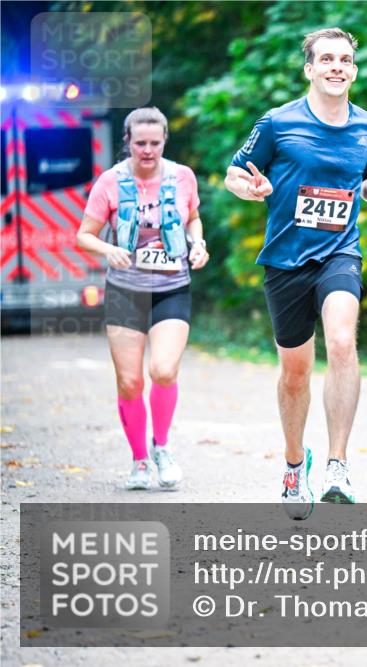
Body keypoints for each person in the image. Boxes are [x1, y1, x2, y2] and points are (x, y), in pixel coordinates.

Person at [225, 27, 367, 518]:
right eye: (326, 59)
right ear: (309, 68)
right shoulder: (277, 122)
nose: (337, 66)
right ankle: (294, 466)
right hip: (286, 259)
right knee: (296, 372)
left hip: (339, 252)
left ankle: (337, 465)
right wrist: (249, 190)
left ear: (353, 69)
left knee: (342, 341)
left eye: (345, 60)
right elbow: (235, 171)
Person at [77, 107, 209, 491]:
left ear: (164, 141)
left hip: (171, 286)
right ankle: (138, 460)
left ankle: (162, 447)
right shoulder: (111, 182)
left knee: (163, 371)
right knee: (130, 381)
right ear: (128, 143)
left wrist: (197, 243)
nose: (147, 150)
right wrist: (108, 249)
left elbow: (194, 218)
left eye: (155, 143)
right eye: (140, 143)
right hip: (125, 291)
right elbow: (84, 233)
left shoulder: (182, 176)